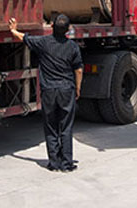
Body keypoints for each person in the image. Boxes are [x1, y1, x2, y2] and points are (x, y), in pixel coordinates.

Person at [8, 14, 83, 172]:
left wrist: (14, 30)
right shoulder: (73, 47)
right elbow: (79, 70)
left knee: (50, 126)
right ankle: (67, 163)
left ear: (52, 27)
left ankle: (54, 163)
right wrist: (77, 88)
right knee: (66, 127)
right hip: (66, 90)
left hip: (49, 91)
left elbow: (25, 38)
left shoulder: (43, 43)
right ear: (68, 30)